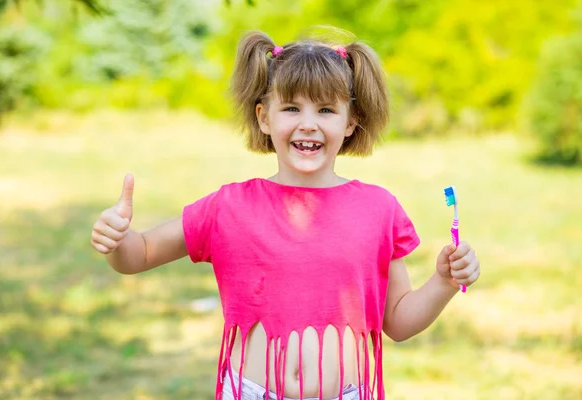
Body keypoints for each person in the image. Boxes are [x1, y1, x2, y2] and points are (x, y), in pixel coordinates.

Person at [91, 28, 481, 400]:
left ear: (351, 122)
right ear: (264, 118)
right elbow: (138, 254)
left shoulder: (379, 209)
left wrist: (443, 282)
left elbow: (398, 322)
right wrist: (117, 240)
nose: (307, 124)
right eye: (291, 108)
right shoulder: (229, 207)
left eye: (326, 110)